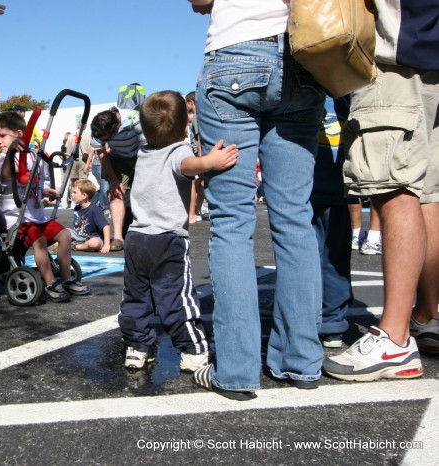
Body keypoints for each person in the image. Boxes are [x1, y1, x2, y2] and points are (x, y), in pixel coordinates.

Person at [189, 0, 326, 400]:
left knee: (232, 221)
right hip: (303, 55)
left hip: (235, 52)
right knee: (295, 219)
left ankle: (235, 370)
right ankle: (301, 361)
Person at [324, 0, 438, 380]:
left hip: (396, 56)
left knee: (393, 191)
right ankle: (424, 316)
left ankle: (395, 338)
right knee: (427, 194)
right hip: (432, 53)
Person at [119, 90, 238, 371]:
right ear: (186, 126)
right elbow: (186, 165)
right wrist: (209, 162)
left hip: (136, 238)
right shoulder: (179, 151)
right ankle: (193, 349)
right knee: (175, 297)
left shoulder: (144, 151)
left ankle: (137, 347)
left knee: (136, 297)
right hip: (168, 239)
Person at [0, 111, 90, 302]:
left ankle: (66, 278)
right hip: (15, 217)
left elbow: (41, 181)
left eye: (2, 136)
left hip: (35, 214)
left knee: (65, 235)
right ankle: (50, 281)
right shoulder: (4, 157)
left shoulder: (34, 156)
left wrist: (45, 192)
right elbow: (4, 176)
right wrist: (10, 150)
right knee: (39, 241)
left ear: (19, 134)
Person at [313, 97, 354, 349]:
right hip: (319, 190)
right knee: (328, 259)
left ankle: (329, 321)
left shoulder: (345, 97)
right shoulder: (345, 95)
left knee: (330, 259)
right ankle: (329, 321)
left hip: (333, 190)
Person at [90, 106, 143, 251]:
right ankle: (119, 237)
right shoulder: (97, 128)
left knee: (144, 192)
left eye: (107, 139)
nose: (105, 141)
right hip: (118, 158)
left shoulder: (135, 119)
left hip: (141, 155)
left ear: (117, 127)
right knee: (116, 193)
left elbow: (148, 146)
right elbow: (102, 154)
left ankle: (147, 231)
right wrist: (114, 179)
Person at [69, 179, 110, 253]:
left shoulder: (94, 209)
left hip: (93, 237)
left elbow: (106, 226)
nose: (72, 194)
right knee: (63, 232)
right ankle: (81, 245)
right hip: (79, 237)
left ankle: (75, 246)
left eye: (74, 192)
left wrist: (107, 244)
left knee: (93, 243)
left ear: (84, 196)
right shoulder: (77, 208)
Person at [185, 91, 207, 223]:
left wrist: (199, 154)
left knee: (198, 183)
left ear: (191, 103)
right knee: (200, 183)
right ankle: (197, 209)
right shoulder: (202, 114)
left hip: (197, 152)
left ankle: (196, 210)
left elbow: (199, 136)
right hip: (200, 152)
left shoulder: (196, 117)